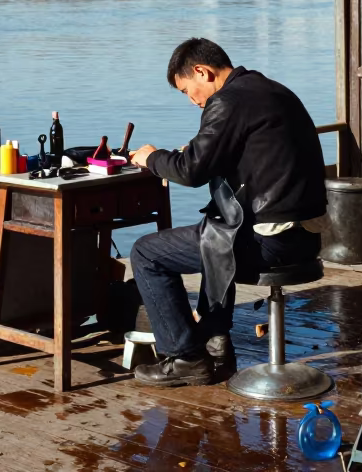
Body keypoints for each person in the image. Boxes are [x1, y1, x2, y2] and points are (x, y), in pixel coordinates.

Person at [127, 37, 329, 388]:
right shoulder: (272, 90)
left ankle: (184, 357)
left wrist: (152, 158)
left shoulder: (227, 101)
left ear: (202, 72)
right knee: (216, 230)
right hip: (306, 235)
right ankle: (215, 341)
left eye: (189, 90)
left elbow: (191, 171)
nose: (193, 101)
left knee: (146, 252)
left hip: (274, 240)